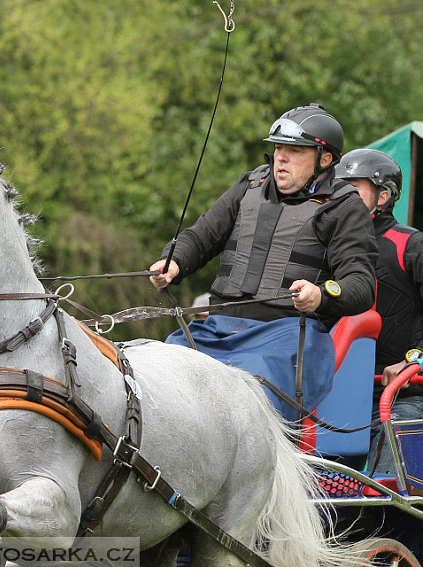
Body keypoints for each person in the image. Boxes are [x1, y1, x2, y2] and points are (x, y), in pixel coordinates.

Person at [149, 103, 378, 420]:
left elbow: (361, 285)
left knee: (243, 396)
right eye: (278, 148)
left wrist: (320, 294)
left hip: (286, 339)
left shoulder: (344, 207)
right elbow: (199, 237)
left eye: (294, 151)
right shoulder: (250, 186)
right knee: (159, 370)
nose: (280, 158)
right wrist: (173, 263)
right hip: (216, 329)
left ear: (325, 159)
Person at [335, 148, 423, 474]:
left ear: (383, 196)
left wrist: (411, 361)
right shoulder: (329, 250)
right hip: (340, 401)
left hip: (405, 398)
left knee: (388, 504)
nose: (341, 198)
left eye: (353, 190)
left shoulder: (411, 245)